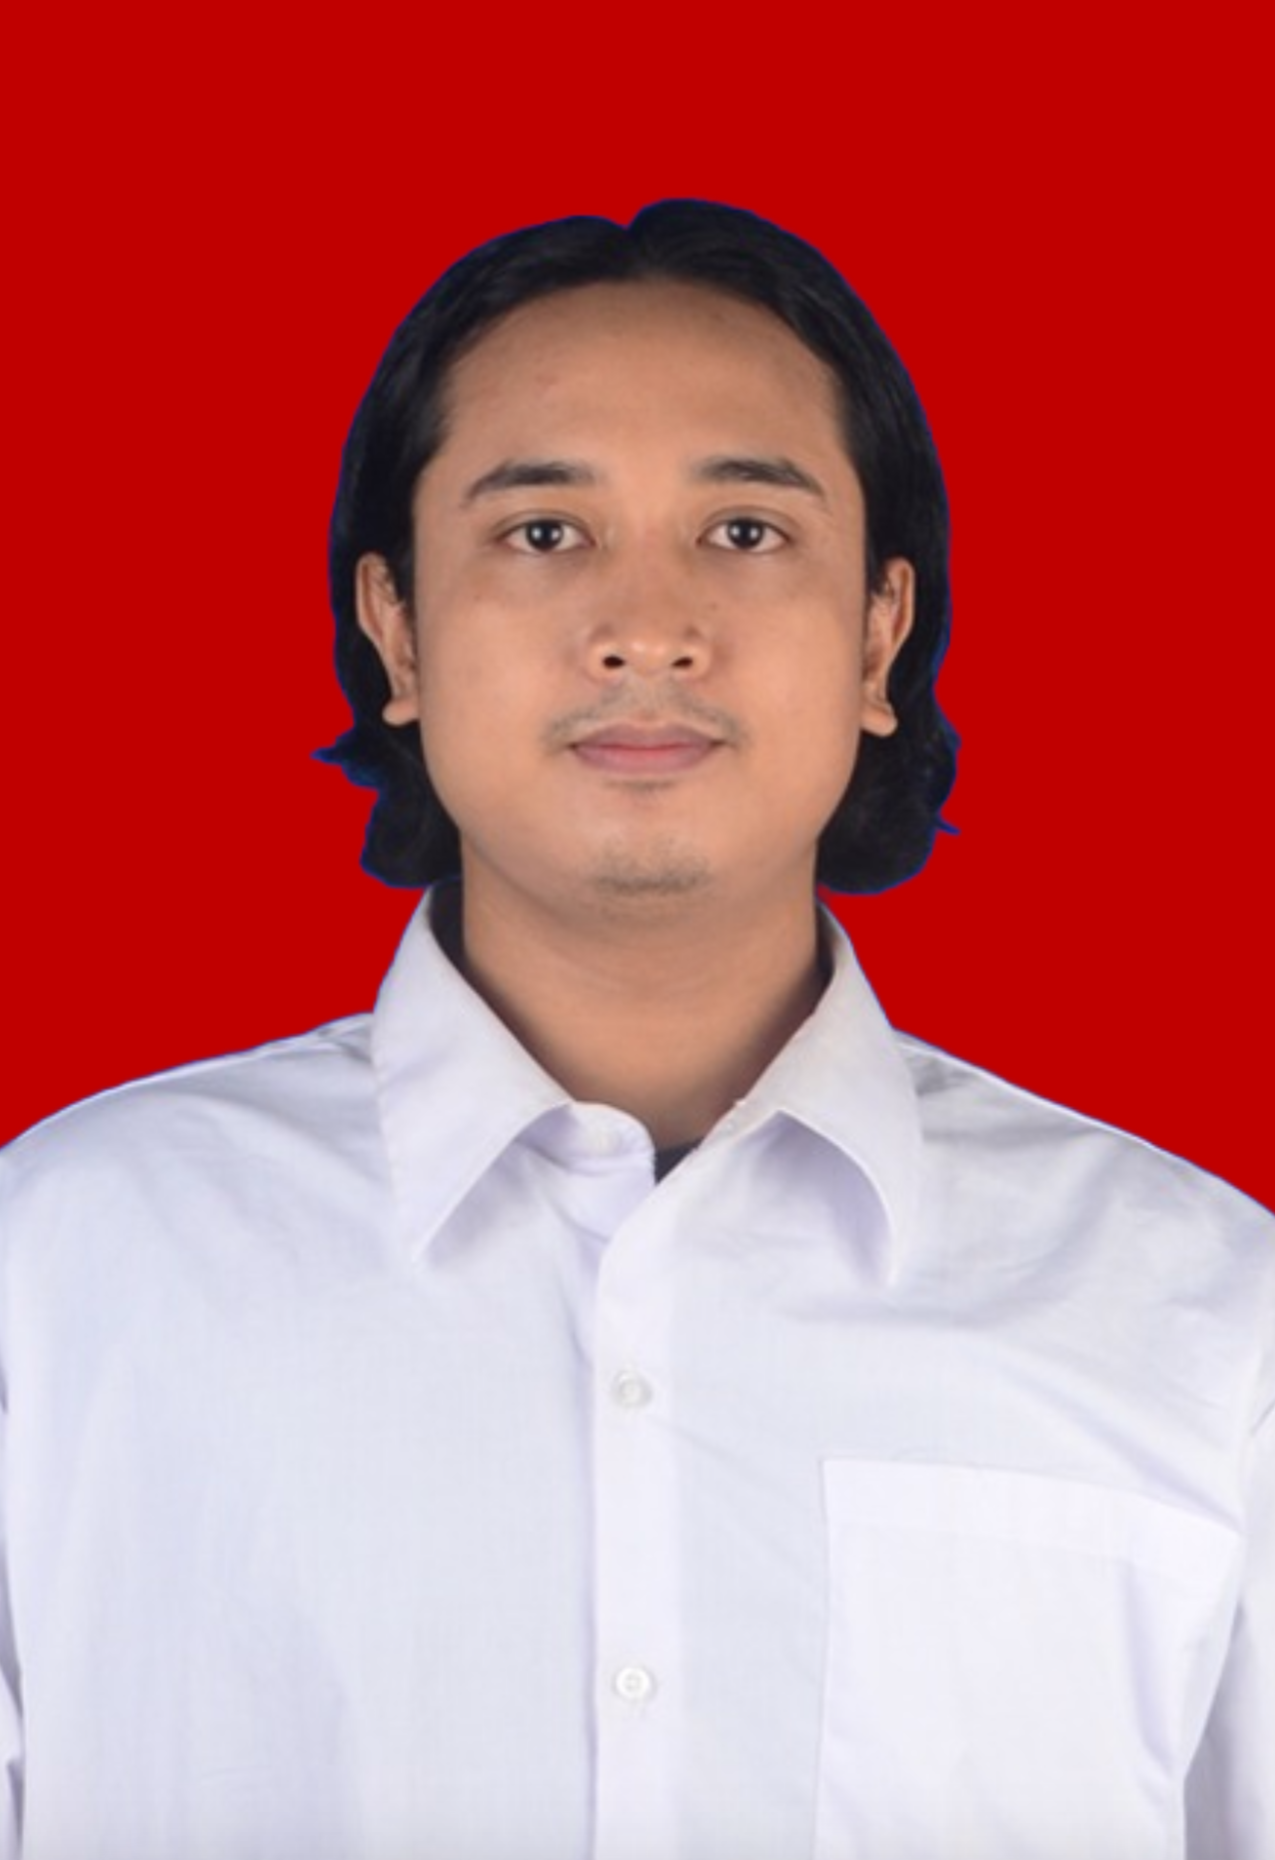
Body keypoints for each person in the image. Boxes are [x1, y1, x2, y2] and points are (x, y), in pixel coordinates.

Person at [0, 201, 1269, 1860]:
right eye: (543, 533)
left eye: (744, 530)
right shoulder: (64, 1271)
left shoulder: (1201, 1316)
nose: (646, 628)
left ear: (879, 634)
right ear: (396, 630)